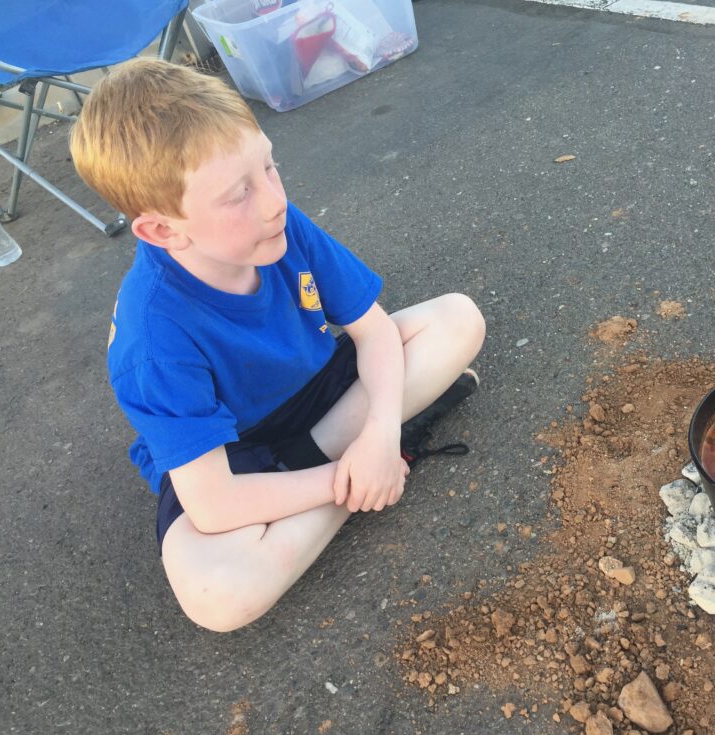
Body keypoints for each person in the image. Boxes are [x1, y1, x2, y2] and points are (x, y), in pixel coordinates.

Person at [70, 59, 485, 632]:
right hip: (232, 452)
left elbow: (374, 329)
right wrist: (355, 472)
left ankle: (356, 462)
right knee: (219, 596)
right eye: (238, 193)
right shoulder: (152, 338)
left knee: (458, 318)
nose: (272, 201)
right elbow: (214, 505)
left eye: (269, 166)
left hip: (319, 396)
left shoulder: (279, 226)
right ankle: (355, 476)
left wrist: (382, 430)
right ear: (164, 230)